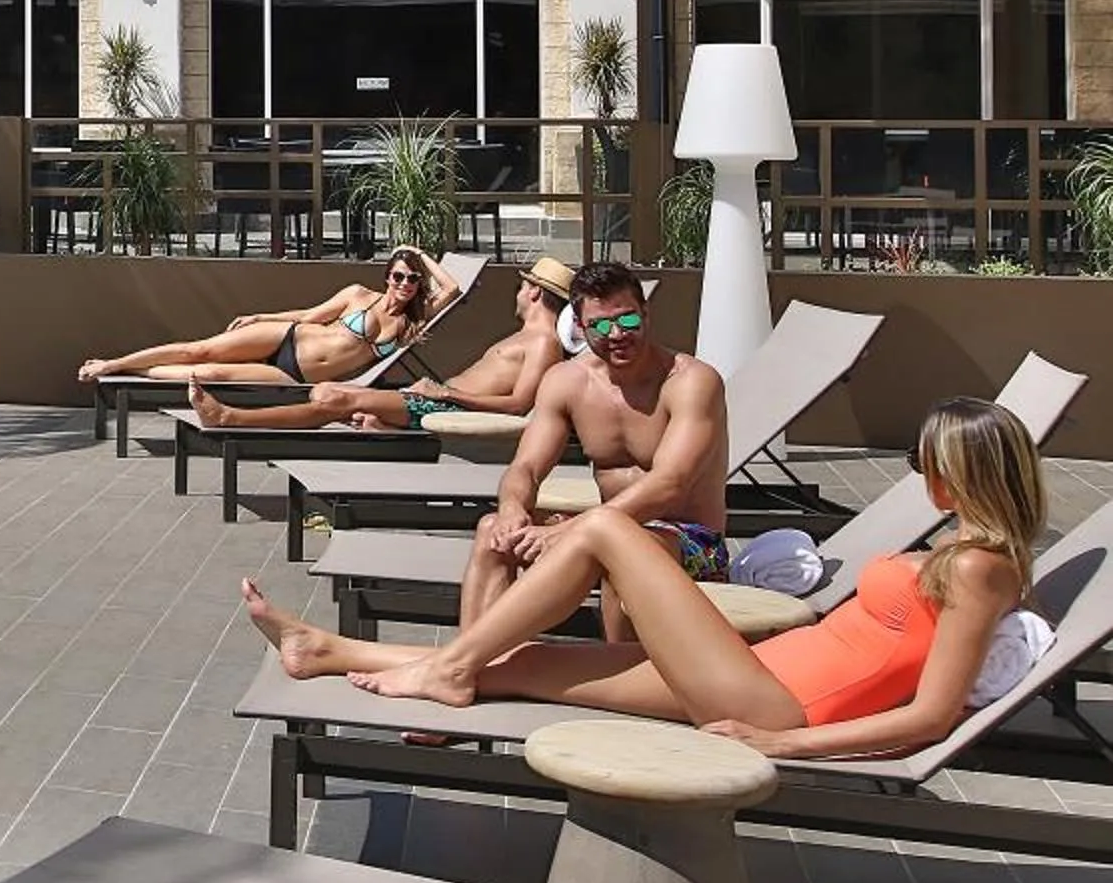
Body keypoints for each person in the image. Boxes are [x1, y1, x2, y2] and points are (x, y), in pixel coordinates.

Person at [244, 397, 1043, 757]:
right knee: (524, 667)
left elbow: (932, 716)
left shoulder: (978, 570)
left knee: (601, 529)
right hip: (755, 670)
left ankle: (448, 669)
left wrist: (783, 743)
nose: (916, 474)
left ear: (961, 469)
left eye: (923, 461)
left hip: (779, 701)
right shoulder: (965, 552)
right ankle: (329, 651)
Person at [457, 260, 724, 639]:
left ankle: (614, 669)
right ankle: (473, 664)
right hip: (603, 526)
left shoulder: (689, 381)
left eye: (628, 320)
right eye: (599, 325)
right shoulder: (568, 382)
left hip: (693, 543)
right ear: (580, 328)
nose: (616, 333)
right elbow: (526, 468)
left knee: (618, 547)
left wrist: (578, 529)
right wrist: (512, 509)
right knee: (493, 532)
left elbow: (671, 484)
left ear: (646, 314)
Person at [192, 256, 578, 431]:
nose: (518, 291)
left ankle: (231, 418)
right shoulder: (529, 338)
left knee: (329, 396)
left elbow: (518, 405)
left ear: (534, 294)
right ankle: (384, 428)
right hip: (429, 400)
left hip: (437, 405)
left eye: (523, 285)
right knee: (343, 403)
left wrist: (445, 394)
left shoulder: (543, 343)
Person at [76, 246, 456, 388]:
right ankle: (114, 363)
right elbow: (309, 315)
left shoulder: (411, 324)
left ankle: (133, 373)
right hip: (290, 337)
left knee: (209, 375)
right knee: (199, 351)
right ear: (387, 277)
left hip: (296, 374)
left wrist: (418, 253)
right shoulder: (359, 294)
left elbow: (452, 289)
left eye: (412, 279)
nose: (405, 284)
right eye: (398, 276)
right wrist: (261, 317)